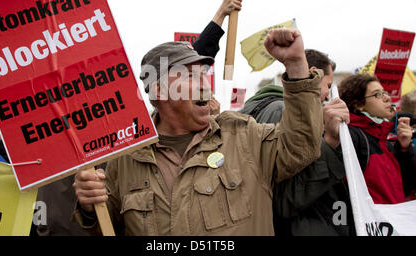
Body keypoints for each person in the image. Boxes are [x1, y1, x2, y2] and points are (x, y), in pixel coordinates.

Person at [73, 27, 324, 235]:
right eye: (190, 76)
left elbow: (302, 146)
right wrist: (89, 207)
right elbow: (108, 230)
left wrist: (296, 64)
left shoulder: (242, 135)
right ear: (160, 91)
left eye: (204, 74)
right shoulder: (126, 157)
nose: (204, 84)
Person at [238, 49, 354, 236]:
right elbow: (286, 198)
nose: (328, 96)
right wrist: (330, 143)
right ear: (314, 74)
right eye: (329, 85)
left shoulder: (270, 108)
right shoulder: (282, 112)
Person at [338, 74, 416, 204]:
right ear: (359, 104)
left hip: (392, 220)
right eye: (377, 95)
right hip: (368, 222)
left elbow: (405, 188)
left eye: (384, 92)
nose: (387, 98)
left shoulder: (384, 139)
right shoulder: (351, 136)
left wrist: (404, 149)